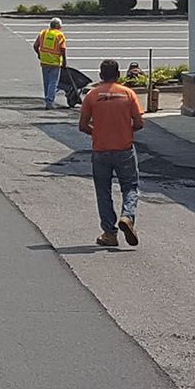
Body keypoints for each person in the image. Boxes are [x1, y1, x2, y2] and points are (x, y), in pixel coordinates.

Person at [78, 57, 145, 247]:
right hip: (124, 148)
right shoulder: (128, 94)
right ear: (118, 75)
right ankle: (127, 216)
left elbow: (82, 125)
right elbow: (139, 123)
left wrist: (97, 132)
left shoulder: (92, 95)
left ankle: (109, 233)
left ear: (101, 75)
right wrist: (125, 130)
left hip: (101, 150)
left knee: (103, 191)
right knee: (130, 187)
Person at [33, 18, 68, 108]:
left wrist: (39, 54)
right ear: (58, 26)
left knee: (47, 82)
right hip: (55, 62)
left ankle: (47, 99)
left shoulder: (43, 33)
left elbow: (35, 46)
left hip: (44, 61)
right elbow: (63, 49)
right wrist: (64, 61)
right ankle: (49, 102)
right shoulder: (59, 35)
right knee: (53, 82)